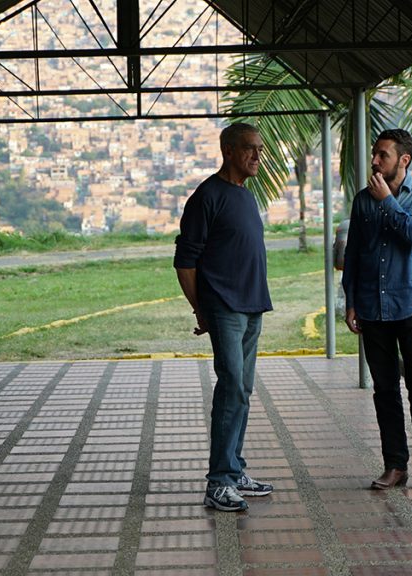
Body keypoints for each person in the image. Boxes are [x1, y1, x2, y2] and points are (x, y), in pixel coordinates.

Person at [342, 128, 412, 493]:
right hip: (373, 308)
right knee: (384, 389)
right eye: (375, 153)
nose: (375, 161)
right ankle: (395, 466)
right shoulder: (361, 201)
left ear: (403, 159)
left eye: (382, 155)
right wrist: (351, 299)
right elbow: (354, 252)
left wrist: (388, 201)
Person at [173, 122, 274, 512]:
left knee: (243, 390)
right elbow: (185, 261)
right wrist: (201, 307)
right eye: (250, 148)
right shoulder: (206, 197)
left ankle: (233, 469)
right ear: (228, 150)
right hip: (225, 308)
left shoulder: (246, 196)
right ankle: (218, 482)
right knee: (231, 386)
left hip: (252, 307)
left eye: (260, 150)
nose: (257, 156)